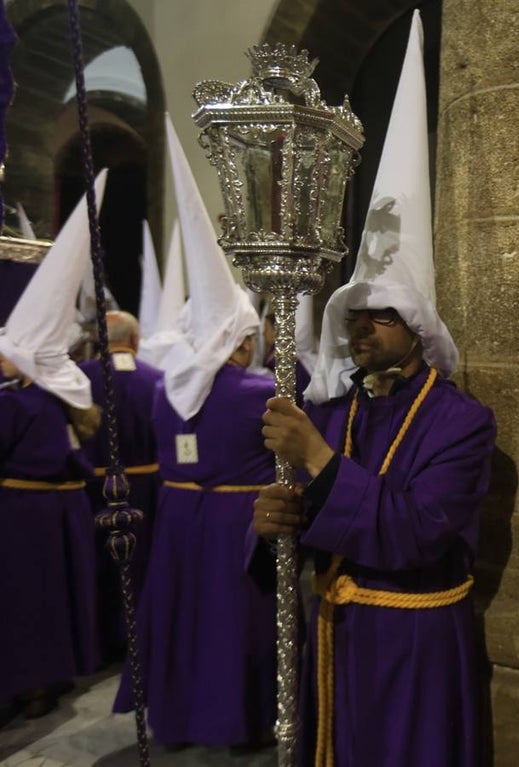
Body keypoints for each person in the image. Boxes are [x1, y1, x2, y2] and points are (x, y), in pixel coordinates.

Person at [253, 13, 497, 765]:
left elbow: (419, 530)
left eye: (382, 316)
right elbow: (313, 517)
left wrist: (320, 458)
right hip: (340, 629)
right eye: (354, 316)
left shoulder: (463, 422)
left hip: (418, 637)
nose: (362, 329)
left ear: (419, 328)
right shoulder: (339, 406)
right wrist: (276, 520)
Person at [113, 114, 277, 747]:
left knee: (180, 618)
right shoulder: (263, 392)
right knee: (230, 625)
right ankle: (233, 726)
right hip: (237, 528)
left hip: (179, 520)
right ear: (238, 338)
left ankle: (175, 721)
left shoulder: (164, 389)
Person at [0, 172, 107, 720]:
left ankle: (28, 684)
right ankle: (42, 681)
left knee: (25, 605)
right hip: (55, 509)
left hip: (21, 516)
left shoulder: (22, 401)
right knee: (46, 603)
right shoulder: (61, 395)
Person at [79, 310, 163, 663]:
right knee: (142, 562)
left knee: (99, 565)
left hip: (93, 487)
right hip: (147, 487)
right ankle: (140, 638)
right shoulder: (158, 379)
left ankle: (100, 643)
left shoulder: (79, 378)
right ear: (135, 340)